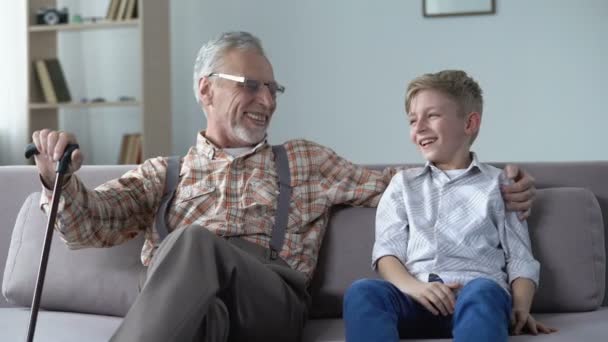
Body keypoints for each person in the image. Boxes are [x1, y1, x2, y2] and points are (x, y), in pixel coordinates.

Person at [31, 33, 536, 342]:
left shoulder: (304, 161)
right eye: (251, 84)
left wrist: (499, 180)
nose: (267, 99)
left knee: (190, 241)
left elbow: (410, 186)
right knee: (202, 312)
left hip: (270, 306)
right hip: (195, 312)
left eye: (273, 88)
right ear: (206, 88)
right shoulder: (164, 172)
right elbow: (90, 225)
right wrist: (59, 179)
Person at [343, 70, 557, 342]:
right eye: (412, 120)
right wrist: (416, 288)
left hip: (476, 297)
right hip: (415, 298)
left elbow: (521, 259)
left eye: (431, 116)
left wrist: (521, 307)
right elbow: (387, 254)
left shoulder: (502, 185)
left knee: (485, 290)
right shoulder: (402, 184)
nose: (418, 127)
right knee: (362, 291)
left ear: (470, 123)